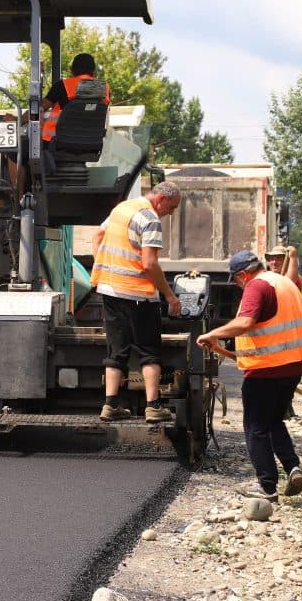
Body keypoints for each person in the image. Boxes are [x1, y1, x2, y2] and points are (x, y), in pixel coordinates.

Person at [196, 250, 302, 502]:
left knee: (255, 428)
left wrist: (213, 334)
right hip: (292, 367)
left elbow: (246, 322)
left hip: (266, 370)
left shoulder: (256, 286)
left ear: (242, 274)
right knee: (274, 421)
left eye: (237, 280)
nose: (238, 285)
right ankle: (292, 467)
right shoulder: (284, 282)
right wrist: (221, 347)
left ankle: (267, 486)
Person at [91, 181, 182, 423]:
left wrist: (102, 269)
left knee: (116, 350)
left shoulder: (123, 208)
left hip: (110, 290)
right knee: (149, 351)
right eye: (171, 207)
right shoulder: (150, 218)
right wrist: (169, 295)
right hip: (138, 294)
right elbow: (150, 264)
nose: (170, 213)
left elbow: (98, 235)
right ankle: (153, 407)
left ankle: (110, 406)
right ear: (161, 199)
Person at [41, 52, 112, 147]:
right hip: (91, 143)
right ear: (93, 70)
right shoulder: (105, 88)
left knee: (24, 148)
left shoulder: (62, 85)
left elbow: (38, 110)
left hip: (55, 142)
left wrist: (19, 119)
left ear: (72, 69)